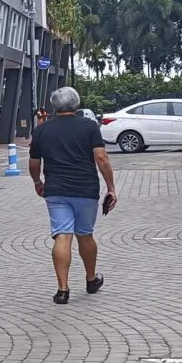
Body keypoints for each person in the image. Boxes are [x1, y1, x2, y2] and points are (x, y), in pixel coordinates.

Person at [29, 86, 117, 305]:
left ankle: (62, 289)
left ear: (54, 106)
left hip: (56, 190)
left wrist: (37, 182)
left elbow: (33, 163)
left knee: (62, 235)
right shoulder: (89, 126)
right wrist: (111, 187)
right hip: (85, 189)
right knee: (85, 234)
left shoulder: (42, 130)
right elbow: (102, 158)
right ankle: (90, 279)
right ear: (76, 104)